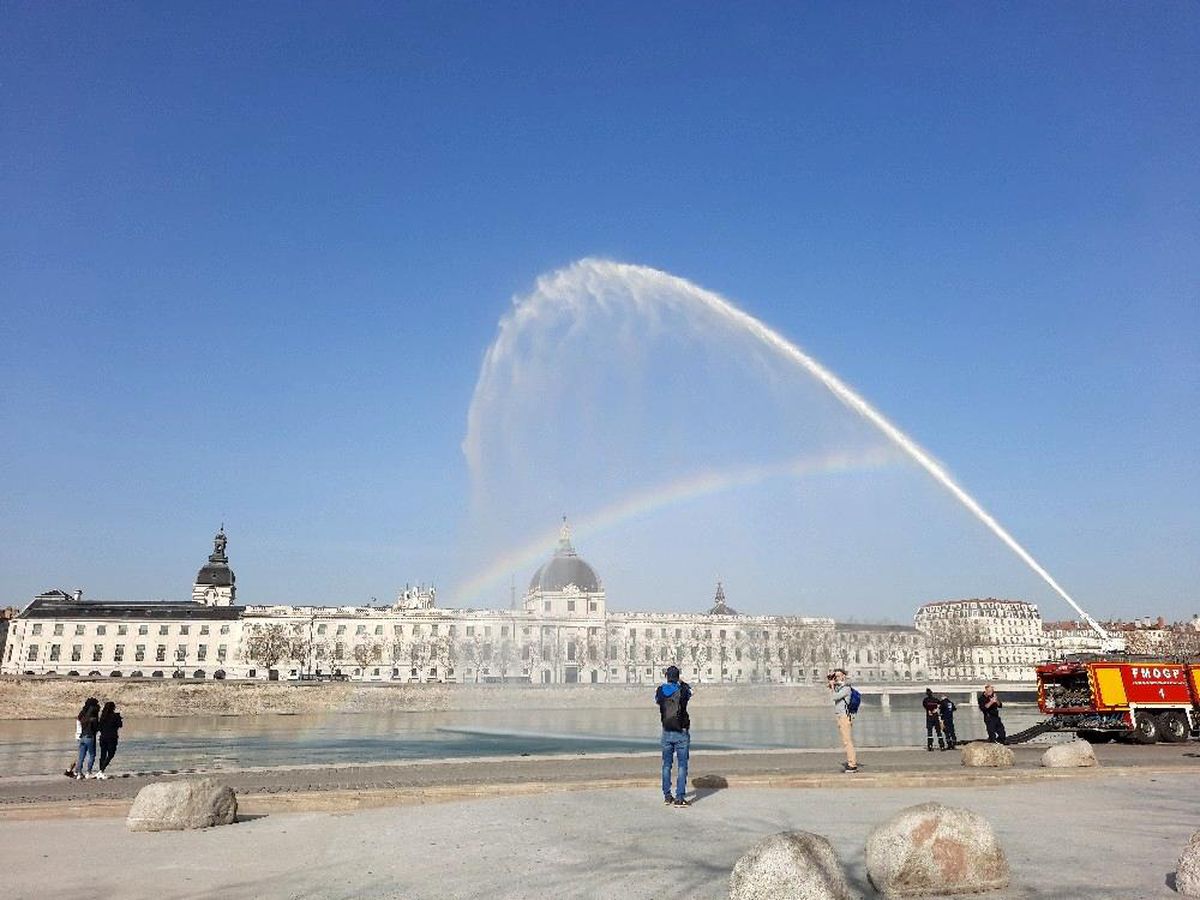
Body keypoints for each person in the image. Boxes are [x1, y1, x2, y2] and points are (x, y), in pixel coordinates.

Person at [655, 664, 692, 807]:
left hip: (666, 732)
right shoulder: (683, 690)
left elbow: (657, 701)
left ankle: (667, 796)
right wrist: (681, 682)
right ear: (677, 677)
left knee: (666, 765)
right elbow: (691, 691)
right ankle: (680, 797)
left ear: (666, 676)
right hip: (681, 732)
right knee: (682, 766)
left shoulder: (660, 691)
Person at [828, 669, 857, 772]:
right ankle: (851, 762)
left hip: (844, 717)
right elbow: (834, 692)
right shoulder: (841, 687)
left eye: (839, 676)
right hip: (840, 716)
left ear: (844, 676)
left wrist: (832, 686)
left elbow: (835, 697)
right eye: (836, 676)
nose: (837, 678)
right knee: (846, 741)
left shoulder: (846, 688)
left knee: (847, 741)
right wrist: (832, 683)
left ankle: (852, 764)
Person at [96, 700, 123, 779]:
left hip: (103, 737)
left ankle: (100, 771)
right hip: (112, 737)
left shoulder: (102, 717)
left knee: (103, 755)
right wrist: (119, 718)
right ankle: (101, 770)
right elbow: (120, 725)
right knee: (111, 754)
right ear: (113, 708)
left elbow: (99, 728)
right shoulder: (115, 716)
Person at [75, 697, 101, 780]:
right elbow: (96, 728)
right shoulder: (93, 718)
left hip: (82, 736)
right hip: (90, 737)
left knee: (81, 756)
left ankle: (79, 773)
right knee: (92, 755)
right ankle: (88, 772)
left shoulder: (83, 716)